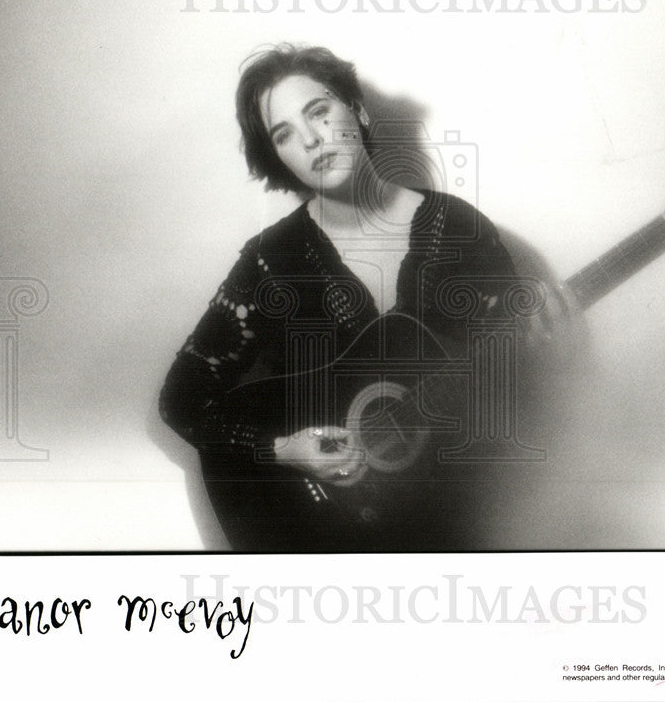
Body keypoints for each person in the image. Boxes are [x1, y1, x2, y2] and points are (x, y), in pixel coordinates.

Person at [159, 45, 562, 551]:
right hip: (317, 535)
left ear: (358, 109)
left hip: (449, 518)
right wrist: (285, 448)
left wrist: (536, 311)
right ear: (277, 156)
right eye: (284, 134)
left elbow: (507, 368)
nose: (310, 139)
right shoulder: (271, 262)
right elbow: (183, 397)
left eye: (319, 111)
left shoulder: (457, 228)